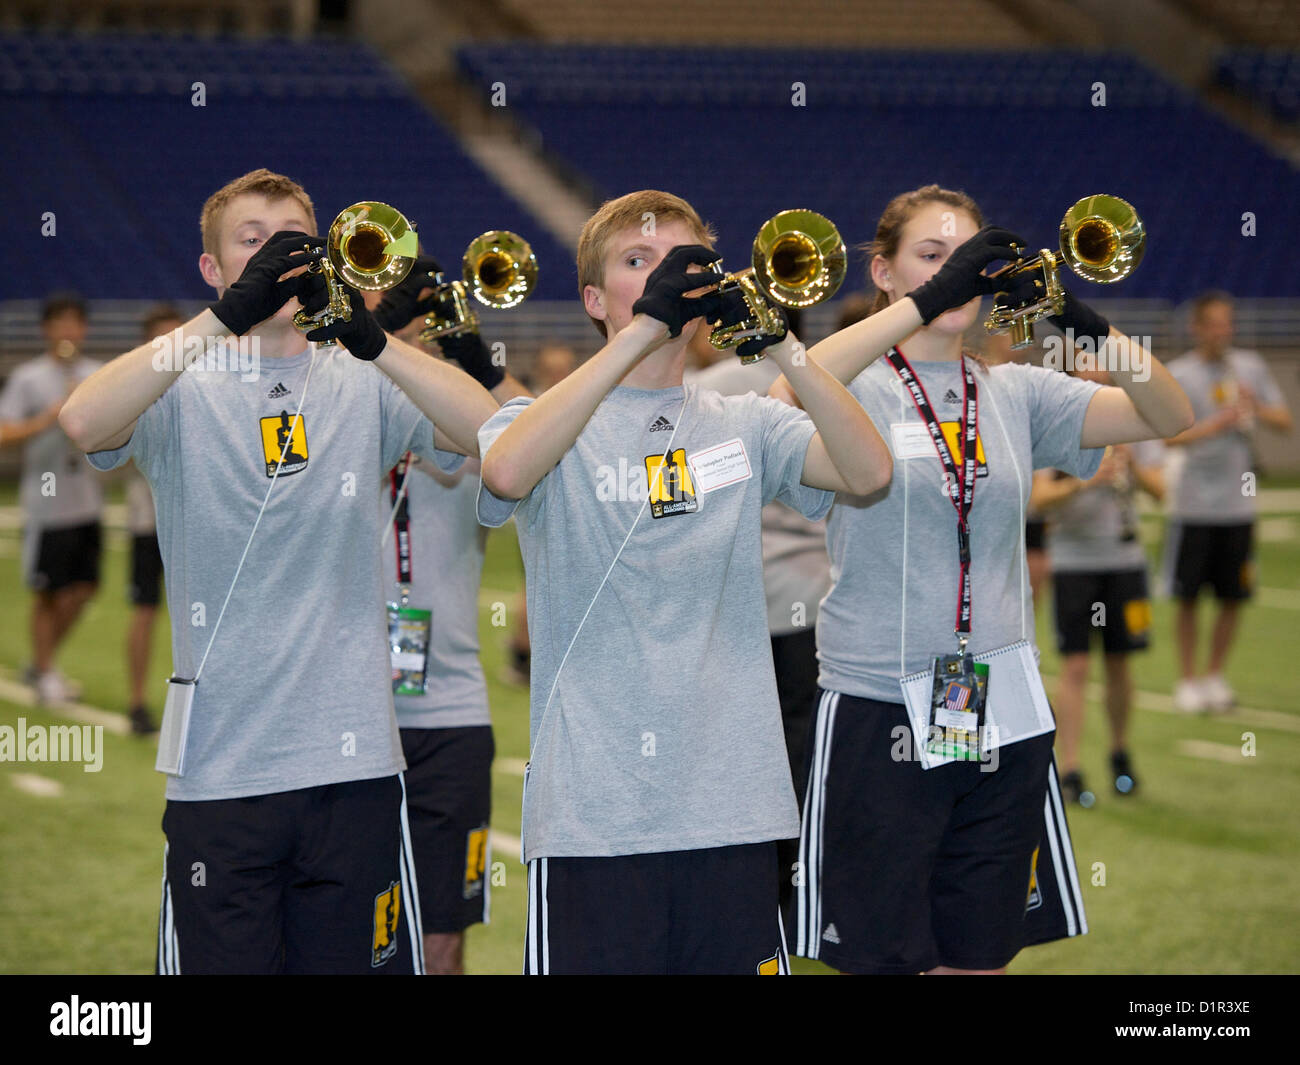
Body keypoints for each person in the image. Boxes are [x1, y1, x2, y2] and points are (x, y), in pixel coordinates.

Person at [58, 168, 497, 974]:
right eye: (251, 243)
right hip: (223, 772)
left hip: (357, 764)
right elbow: (83, 419)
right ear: (213, 270)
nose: (275, 258)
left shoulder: (362, 376)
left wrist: (374, 336)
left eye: (293, 241)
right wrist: (223, 319)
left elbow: (495, 434)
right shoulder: (181, 383)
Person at [770, 183, 1192, 974]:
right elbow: (791, 382)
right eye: (933, 258)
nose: (959, 276)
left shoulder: (1016, 392)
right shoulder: (855, 381)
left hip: (997, 699)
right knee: (884, 959)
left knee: (978, 957)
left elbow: (1169, 415)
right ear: (885, 272)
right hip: (877, 702)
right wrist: (930, 298)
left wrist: (1073, 317)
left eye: (970, 260)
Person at [476, 189, 893, 974]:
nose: (665, 276)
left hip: (732, 800)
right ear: (596, 299)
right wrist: (640, 333)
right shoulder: (544, 418)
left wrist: (779, 345)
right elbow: (504, 469)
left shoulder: (746, 420)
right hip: (595, 812)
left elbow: (869, 472)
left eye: (680, 261)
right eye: (639, 262)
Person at [365, 263, 530, 975]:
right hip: (350, 715)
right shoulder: (350, 404)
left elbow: (547, 442)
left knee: (441, 938)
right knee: (353, 932)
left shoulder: (471, 430)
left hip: (452, 716)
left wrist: (476, 356)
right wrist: (371, 336)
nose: (417, 335)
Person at [690, 304, 830, 910]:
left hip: (732, 600)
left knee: (731, 746)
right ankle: (800, 883)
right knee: (802, 742)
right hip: (809, 591)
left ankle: (748, 881)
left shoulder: (708, 391)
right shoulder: (823, 383)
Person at [1031, 371, 1165, 805]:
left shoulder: (1132, 416)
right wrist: (1084, 481)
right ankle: (1070, 767)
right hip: (1074, 564)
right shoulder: (1055, 420)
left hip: (1125, 562)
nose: (1096, 372)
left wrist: (1133, 466)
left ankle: (1119, 754)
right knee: (1075, 666)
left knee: (1121, 664)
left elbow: (1164, 492)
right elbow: (1036, 499)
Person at [1164, 291, 1292, 713]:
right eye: (1214, 323)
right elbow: (1166, 436)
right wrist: (1214, 427)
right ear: (1197, 327)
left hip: (1239, 504)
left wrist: (1253, 405)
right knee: (1188, 597)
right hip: (1193, 504)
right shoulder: (1179, 373)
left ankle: (1215, 674)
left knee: (1233, 596)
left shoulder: (1249, 367)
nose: (1223, 331)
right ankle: (1187, 679)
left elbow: (1285, 423)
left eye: (1228, 322)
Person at [0, 293, 103, 706]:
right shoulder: (29, 377)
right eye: (59, 323)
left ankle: (41, 663)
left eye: (75, 322)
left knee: (83, 590)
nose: (68, 331)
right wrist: (50, 417)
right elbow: (5, 434)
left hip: (88, 500)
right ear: (46, 329)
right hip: (47, 503)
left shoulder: (99, 373)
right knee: (48, 593)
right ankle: (44, 670)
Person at [123, 306, 186, 736]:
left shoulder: (203, 380)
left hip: (196, 524)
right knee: (145, 610)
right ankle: (138, 700)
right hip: (149, 520)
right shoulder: (134, 387)